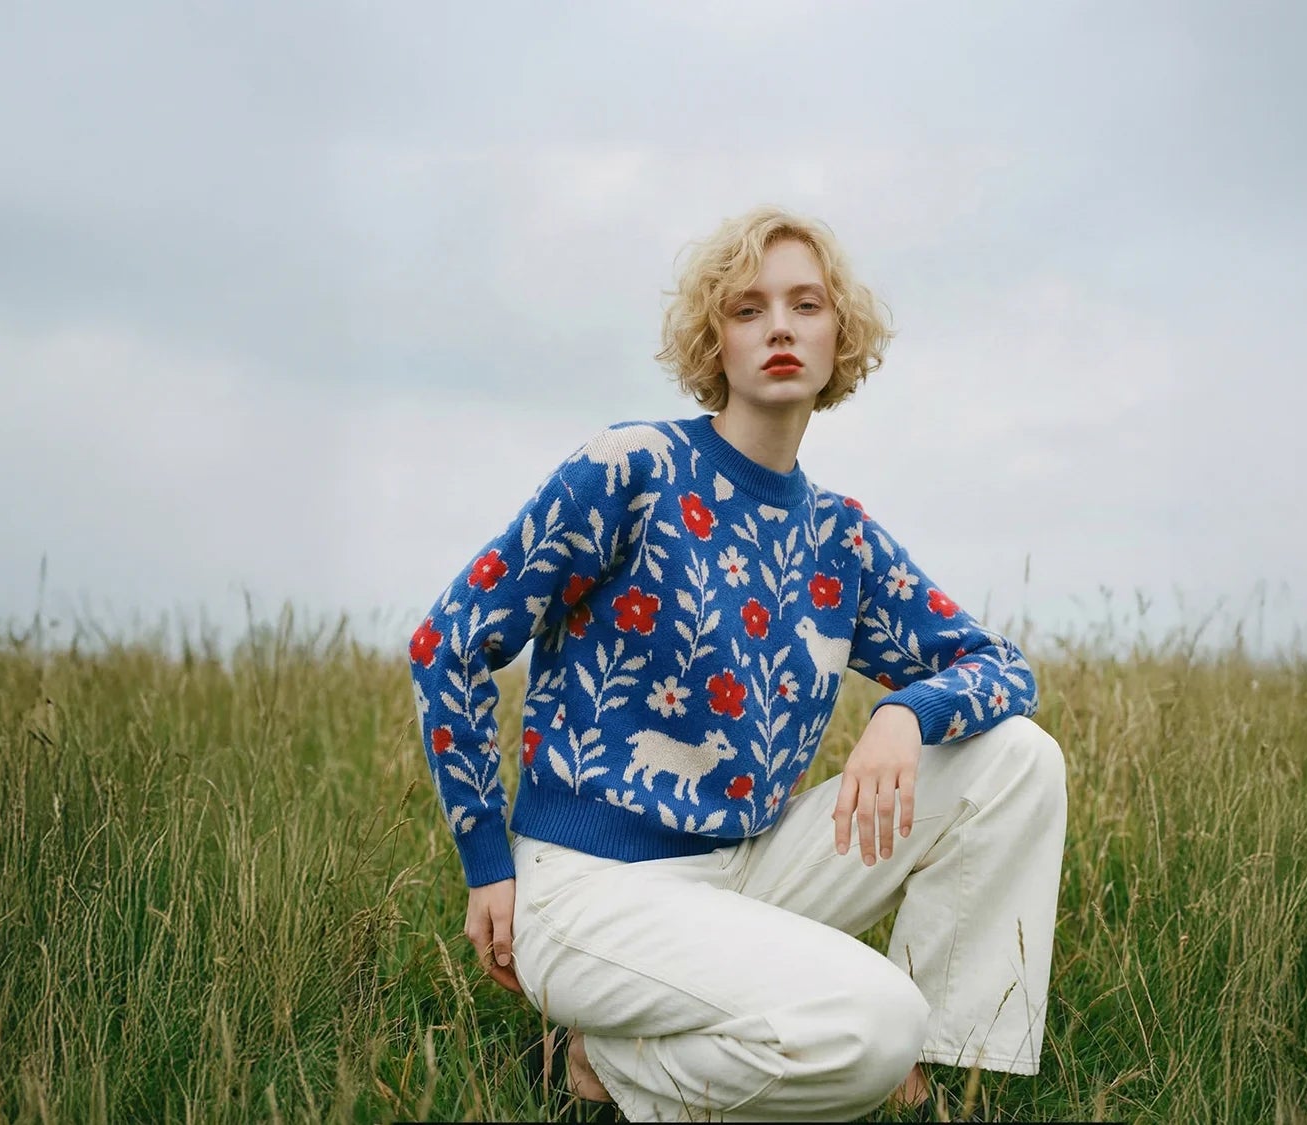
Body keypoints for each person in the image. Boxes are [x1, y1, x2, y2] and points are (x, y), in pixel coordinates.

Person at [407, 204, 1068, 1122]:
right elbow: (448, 641)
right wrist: (486, 860)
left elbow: (1002, 667)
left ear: (842, 334)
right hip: (591, 892)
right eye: (749, 309)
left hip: (743, 869)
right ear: (714, 340)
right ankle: (639, 1062)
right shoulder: (629, 469)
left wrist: (903, 713)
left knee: (1019, 758)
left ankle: (938, 1073)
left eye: (806, 304)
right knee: (872, 1026)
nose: (782, 327)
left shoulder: (840, 537)